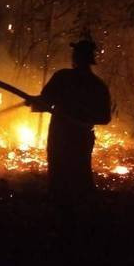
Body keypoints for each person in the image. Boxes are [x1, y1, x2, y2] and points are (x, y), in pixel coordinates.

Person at [28, 38, 111, 204]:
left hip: (62, 136)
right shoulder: (98, 85)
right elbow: (104, 118)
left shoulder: (63, 77)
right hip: (82, 138)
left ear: (76, 57)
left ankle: (61, 210)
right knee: (80, 173)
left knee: (59, 174)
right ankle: (80, 210)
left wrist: (36, 102)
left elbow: (46, 102)